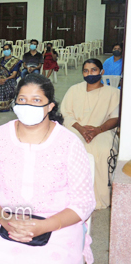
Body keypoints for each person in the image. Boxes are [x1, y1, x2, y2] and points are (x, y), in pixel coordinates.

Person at [0, 74, 96, 264]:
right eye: (22, 100)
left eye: (37, 100)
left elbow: (83, 201)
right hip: (1, 216)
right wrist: (5, 220)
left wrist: (45, 226)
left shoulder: (69, 143)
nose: (28, 106)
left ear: (50, 106)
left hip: (58, 223)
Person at [61, 59, 120, 210]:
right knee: (71, 147)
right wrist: (81, 129)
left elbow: (115, 117)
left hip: (103, 130)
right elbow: (66, 114)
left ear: (102, 72)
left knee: (103, 150)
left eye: (93, 70)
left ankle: (100, 196)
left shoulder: (113, 93)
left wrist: (98, 130)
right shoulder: (74, 90)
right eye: (86, 71)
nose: (89, 74)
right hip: (76, 127)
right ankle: (71, 197)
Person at [0, 43, 22, 113]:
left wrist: (5, 79)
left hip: (9, 79)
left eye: (7, 49)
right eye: (4, 49)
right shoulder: (0, 61)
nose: (6, 51)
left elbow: (14, 75)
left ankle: (3, 106)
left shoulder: (15, 61)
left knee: (4, 86)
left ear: (11, 50)